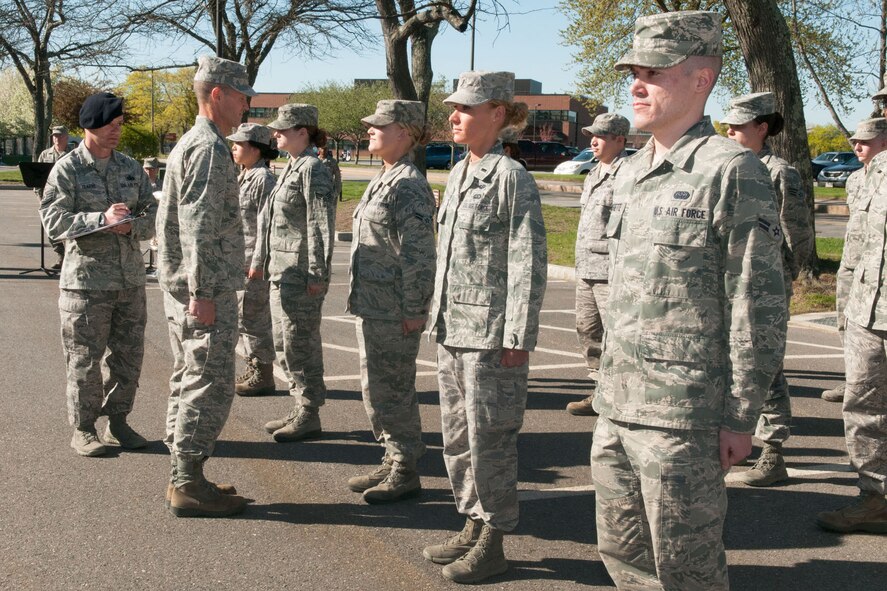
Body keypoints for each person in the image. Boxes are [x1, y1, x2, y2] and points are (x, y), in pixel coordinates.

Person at [591, 12, 787, 589]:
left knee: (687, 569)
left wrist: (741, 412)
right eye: (634, 71)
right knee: (622, 555)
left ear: (701, 78)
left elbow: (757, 302)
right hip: (618, 403)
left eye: (654, 71)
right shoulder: (628, 172)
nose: (636, 84)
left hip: (685, 418)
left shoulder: (732, 172)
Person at [422, 71, 547, 584]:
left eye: (466, 109)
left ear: (497, 114)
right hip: (453, 327)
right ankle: (472, 522)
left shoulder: (509, 176)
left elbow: (528, 259)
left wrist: (517, 335)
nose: (454, 117)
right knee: (457, 437)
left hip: (491, 335)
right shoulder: (458, 172)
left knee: (490, 437)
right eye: (454, 108)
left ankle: (494, 539)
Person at [156, 55, 254, 518]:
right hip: (203, 290)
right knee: (207, 382)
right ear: (217, 93)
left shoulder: (194, 144)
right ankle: (188, 483)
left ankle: (184, 474)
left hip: (188, 288)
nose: (247, 104)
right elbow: (198, 228)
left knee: (187, 377)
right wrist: (204, 294)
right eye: (241, 95)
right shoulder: (209, 149)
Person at [39, 93, 157, 457]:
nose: (116, 133)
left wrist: (131, 227)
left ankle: (119, 421)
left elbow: (153, 216)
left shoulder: (130, 167)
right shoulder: (68, 169)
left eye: (120, 126)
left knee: (128, 358)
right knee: (84, 360)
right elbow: (53, 221)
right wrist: (100, 220)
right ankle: (84, 428)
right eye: (110, 126)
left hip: (130, 282)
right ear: (89, 126)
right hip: (86, 283)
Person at [344, 100, 436, 504]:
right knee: (376, 387)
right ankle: (393, 454)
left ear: (404, 132)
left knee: (394, 388)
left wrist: (414, 310)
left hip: (395, 307)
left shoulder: (408, 184)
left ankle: (405, 468)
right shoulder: (385, 177)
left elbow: (419, 254)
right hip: (373, 301)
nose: (370, 131)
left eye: (379, 126)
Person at [722, 91, 814, 486]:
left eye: (738, 126)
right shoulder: (730, 166)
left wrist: (784, 277)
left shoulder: (779, 172)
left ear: (762, 128)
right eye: (728, 125)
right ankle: (741, 437)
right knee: (734, 363)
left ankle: (774, 452)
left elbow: (797, 231)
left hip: (767, 284)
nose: (729, 131)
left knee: (766, 365)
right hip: (731, 280)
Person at [816, 93, 887, 534]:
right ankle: (875, 498)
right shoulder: (869, 176)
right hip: (868, 308)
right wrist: (846, 306)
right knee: (863, 406)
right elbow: (856, 248)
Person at [258, 104, 336, 443]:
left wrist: (317, 272)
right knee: (284, 342)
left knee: (300, 343)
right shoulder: (291, 167)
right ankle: (298, 404)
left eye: (282, 129)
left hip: (301, 274)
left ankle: (309, 411)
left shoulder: (313, 169)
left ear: (302, 132)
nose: (275, 134)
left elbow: (320, 224)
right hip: (282, 270)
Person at [565, 112, 630, 416]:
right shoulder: (592, 173)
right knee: (588, 331)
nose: (593, 140)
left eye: (601, 136)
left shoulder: (627, 175)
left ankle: (623, 399)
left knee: (617, 336)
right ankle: (600, 391)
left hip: (611, 272)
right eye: (593, 134)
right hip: (586, 269)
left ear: (620, 139)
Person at [823, 117, 887, 404]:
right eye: (855, 142)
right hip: (852, 266)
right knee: (846, 325)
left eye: (865, 141)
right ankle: (853, 380)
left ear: (884, 143)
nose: (858, 146)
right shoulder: (855, 179)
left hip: (876, 271)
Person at [224, 123, 279, 397]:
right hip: (239, 260)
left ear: (255, 149)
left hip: (253, 263)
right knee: (244, 318)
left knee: (253, 318)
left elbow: (267, 226)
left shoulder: (263, 179)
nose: (234, 147)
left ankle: (263, 373)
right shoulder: (244, 175)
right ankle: (254, 365)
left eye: (239, 144)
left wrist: (258, 263)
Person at [38, 125, 73, 270]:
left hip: (69, 197)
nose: (56, 138)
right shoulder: (45, 155)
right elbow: (37, 177)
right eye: (54, 136)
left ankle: (72, 257)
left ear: (66, 137)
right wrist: (40, 198)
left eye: (59, 135)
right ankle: (61, 255)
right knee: (50, 227)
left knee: (71, 227)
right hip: (49, 198)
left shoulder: (73, 154)